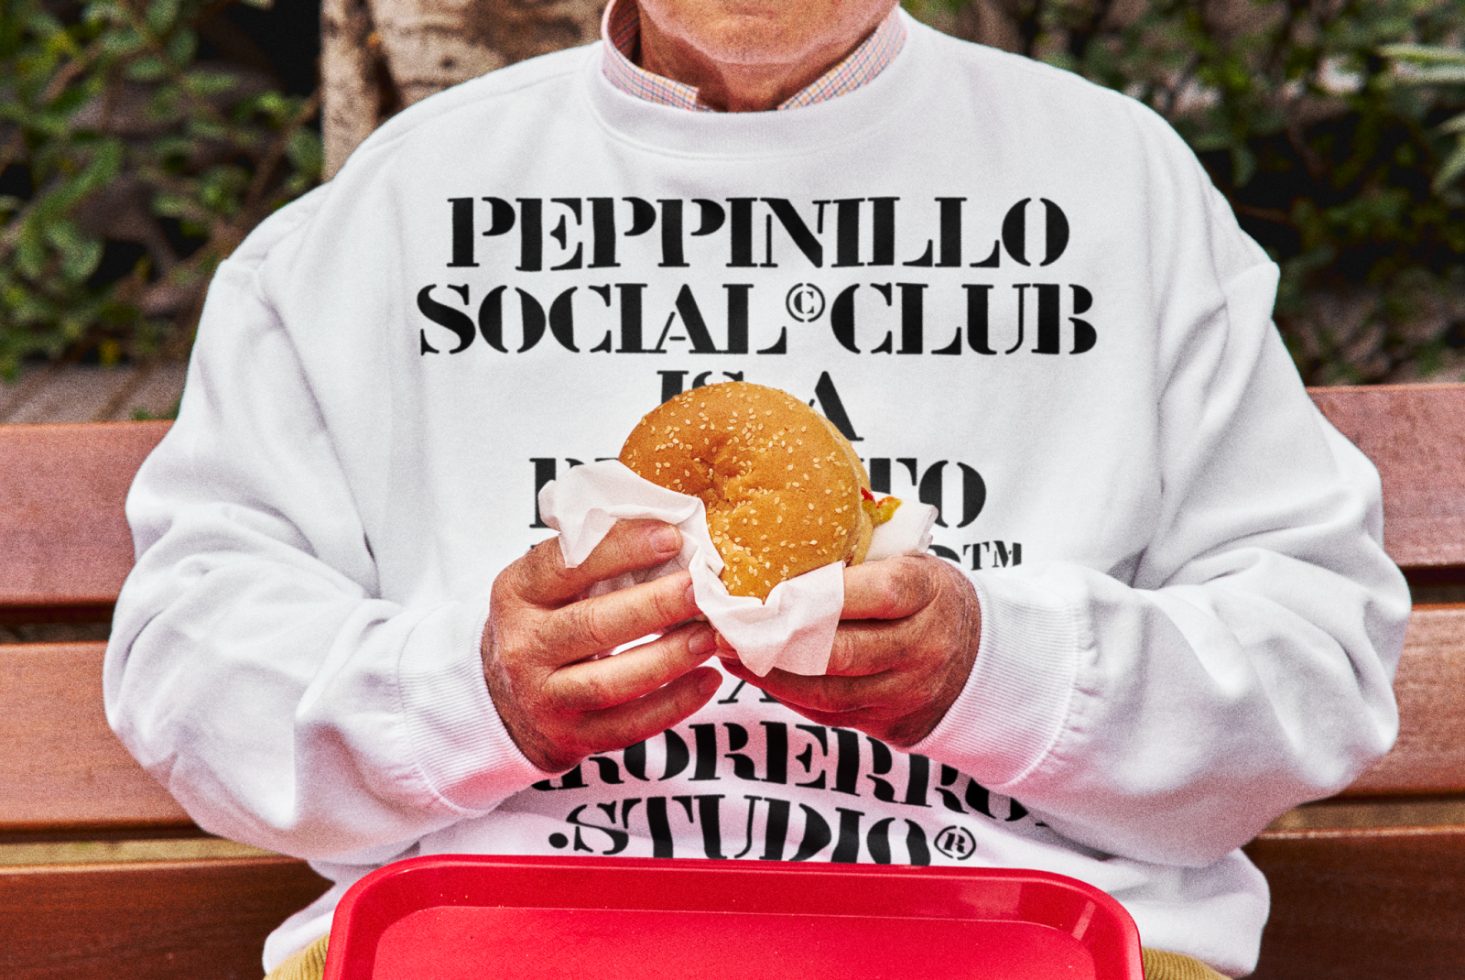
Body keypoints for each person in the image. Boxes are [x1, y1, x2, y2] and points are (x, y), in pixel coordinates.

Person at [102, 0, 1411, 977]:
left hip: (1023, 928)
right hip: (487, 928)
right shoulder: (395, 208)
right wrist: (469, 693)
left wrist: (1001, 671)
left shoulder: (1113, 185)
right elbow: (187, 660)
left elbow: (1317, 656)